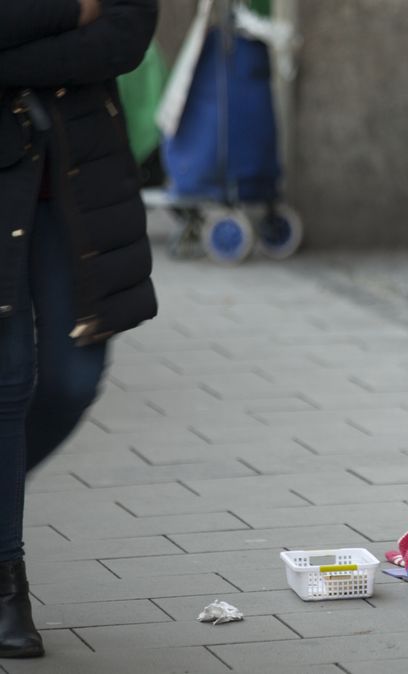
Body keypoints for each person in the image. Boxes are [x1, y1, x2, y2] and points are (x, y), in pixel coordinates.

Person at [0, 0, 158, 658]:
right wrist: (73, 9)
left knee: (72, 375)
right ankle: (7, 584)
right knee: (7, 379)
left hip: (74, 174)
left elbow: (126, 34)